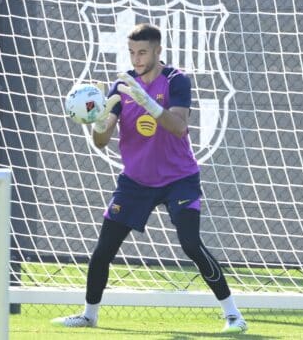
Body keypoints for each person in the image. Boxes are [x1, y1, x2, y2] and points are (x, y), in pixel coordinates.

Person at [52, 23, 247, 334]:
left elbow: (179, 127)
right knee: (103, 250)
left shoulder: (176, 80)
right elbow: (101, 141)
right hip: (135, 181)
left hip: (179, 178)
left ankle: (234, 315)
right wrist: (99, 122)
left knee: (191, 244)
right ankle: (89, 315)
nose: (136, 59)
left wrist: (147, 102)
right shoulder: (122, 85)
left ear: (158, 51)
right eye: (132, 52)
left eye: (142, 52)